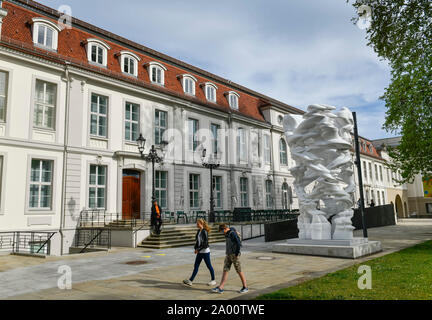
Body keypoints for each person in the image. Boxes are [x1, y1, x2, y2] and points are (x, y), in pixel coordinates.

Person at [211, 224, 248, 294]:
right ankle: (220, 287)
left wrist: (237, 254)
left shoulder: (232, 234)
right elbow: (232, 228)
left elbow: (238, 243)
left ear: (224, 229)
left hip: (234, 255)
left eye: (222, 231)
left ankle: (245, 287)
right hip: (228, 254)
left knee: (239, 270)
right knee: (225, 270)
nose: (222, 233)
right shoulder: (229, 231)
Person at [183, 219, 216, 287]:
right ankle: (190, 280)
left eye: (198, 223)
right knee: (196, 266)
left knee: (209, 266)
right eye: (196, 223)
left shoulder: (204, 231)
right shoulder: (199, 231)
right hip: (200, 252)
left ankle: (213, 280)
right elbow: (197, 242)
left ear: (201, 224)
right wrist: (196, 248)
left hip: (205, 252)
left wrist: (198, 249)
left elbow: (205, 243)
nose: (196, 225)